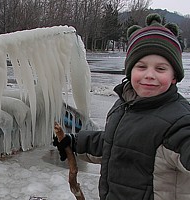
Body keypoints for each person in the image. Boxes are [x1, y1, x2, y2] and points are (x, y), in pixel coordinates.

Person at [53, 13, 190, 200]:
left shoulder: (179, 121)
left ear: (174, 76)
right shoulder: (123, 106)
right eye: (141, 67)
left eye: (160, 68)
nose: (149, 75)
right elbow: (114, 144)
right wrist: (75, 142)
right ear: (130, 70)